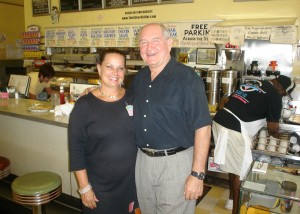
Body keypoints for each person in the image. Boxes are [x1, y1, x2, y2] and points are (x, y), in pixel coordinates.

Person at [132, 23, 212, 214]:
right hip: (143, 161)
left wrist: (197, 175)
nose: (149, 47)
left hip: (175, 163)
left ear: (169, 43)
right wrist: (96, 92)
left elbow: (203, 127)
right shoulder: (139, 78)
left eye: (155, 40)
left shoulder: (187, 79)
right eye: (143, 42)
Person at [212, 75, 295, 214]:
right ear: (280, 87)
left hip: (219, 121)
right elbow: (273, 128)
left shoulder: (254, 83)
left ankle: (232, 200)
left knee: (233, 167)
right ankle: (236, 211)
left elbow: (226, 100)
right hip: (234, 129)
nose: (283, 96)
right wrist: (280, 139)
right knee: (241, 171)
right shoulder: (274, 95)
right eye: (284, 93)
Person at [68, 48, 138, 214]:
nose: (115, 72)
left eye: (120, 68)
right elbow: (76, 149)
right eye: (109, 67)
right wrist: (84, 188)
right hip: (99, 188)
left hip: (129, 184)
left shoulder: (133, 98)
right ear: (99, 68)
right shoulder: (84, 105)